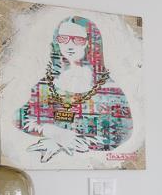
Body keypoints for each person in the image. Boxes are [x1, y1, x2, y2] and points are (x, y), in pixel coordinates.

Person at [15, 15, 134, 162]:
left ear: (90, 43)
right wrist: (53, 132)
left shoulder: (109, 89)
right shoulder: (46, 84)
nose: (69, 46)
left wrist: (66, 143)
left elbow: (121, 134)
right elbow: (22, 117)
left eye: (78, 40)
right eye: (63, 39)